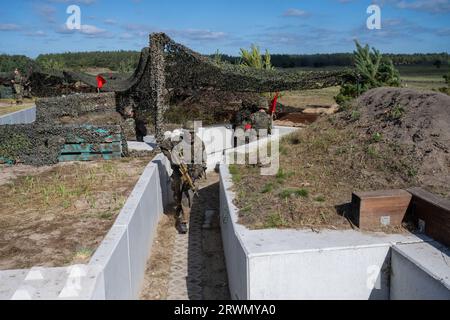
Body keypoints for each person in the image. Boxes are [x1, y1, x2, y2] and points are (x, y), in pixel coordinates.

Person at [160, 121, 207, 234]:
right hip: (177, 173)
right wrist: (171, 158)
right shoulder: (176, 140)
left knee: (187, 196)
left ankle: (183, 222)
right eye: (189, 133)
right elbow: (163, 146)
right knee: (177, 195)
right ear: (184, 132)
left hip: (192, 174)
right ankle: (179, 210)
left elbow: (203, 161)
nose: (191, 135)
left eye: (193, 133)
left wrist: (197, 172)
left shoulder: (199, 143)